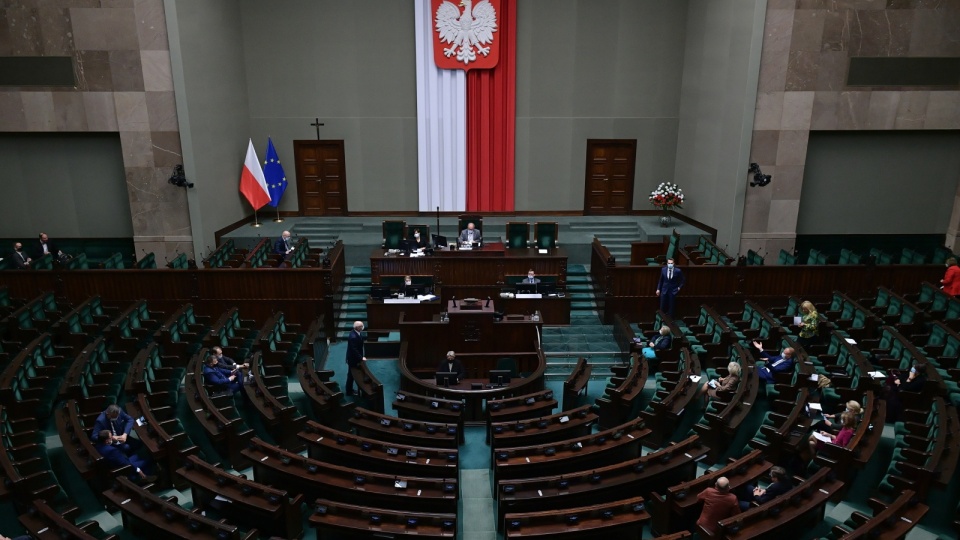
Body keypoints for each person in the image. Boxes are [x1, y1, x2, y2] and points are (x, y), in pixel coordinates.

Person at [345, 321, 366, 396]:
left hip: (354, 358)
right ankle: (349, 391)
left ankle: (349, 390)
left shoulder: (356, 332)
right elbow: (354, 350)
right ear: (357, 327)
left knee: (351, 375)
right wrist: (361, 358)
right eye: (361, 326)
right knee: (351, 376)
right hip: (353, 359)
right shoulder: (353, 337)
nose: (362, 327)